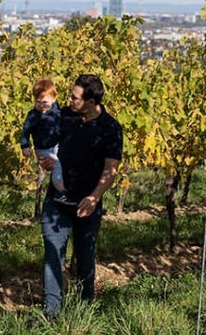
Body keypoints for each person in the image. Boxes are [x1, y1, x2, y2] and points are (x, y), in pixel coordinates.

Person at [37, 74, 123, 319]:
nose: (69, 100)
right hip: (57, 202)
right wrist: (45, 160)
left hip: (88, 205)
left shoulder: (110, 128)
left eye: (75, 97)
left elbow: (111, 169)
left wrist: (94, 197)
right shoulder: (64, 116)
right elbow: (46, 144)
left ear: (91, 101)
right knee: (53, 254)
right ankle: (51, 314)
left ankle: (84, 312)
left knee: (85, 259)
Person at [20, 78, 73, 205]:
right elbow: (25, 131)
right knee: (57, 166)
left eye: (45, 102)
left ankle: (65, 190)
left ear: (54, 99)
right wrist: (25, 145)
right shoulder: (33, 116)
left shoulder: (57, 111)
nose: (42, 106)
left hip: (56, 145)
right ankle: (61, 193)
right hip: (43, 149)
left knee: (65, 163)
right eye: (38, 103)